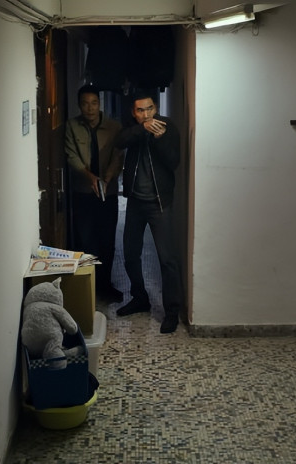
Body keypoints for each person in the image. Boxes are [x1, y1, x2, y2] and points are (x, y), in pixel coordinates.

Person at [115, 90, 183, 334]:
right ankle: (140, 297)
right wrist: (142, 130)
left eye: (150, 109)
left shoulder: (168, 127)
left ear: (156, 108)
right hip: (135, 202)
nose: (146, 115)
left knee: (167, 259)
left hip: (159, 203)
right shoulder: (133, 128)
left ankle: (172, 312)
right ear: (134, 113)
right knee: (130, 253)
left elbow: (173, 162)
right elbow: (119, 141)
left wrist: (159, 139)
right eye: (140, 110)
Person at [65, 85, 125, 302]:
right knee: (85, 240)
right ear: (79, 105)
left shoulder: (114, 127)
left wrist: (106, 179)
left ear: (99, 104)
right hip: (83, 193)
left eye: (93, 103)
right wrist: (90, 178)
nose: (89, 108)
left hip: (108, 193)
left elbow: (118, 156)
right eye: (85, 104)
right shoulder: (72, 126)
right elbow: (71, 155)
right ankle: (88, 288)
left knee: (107, 241)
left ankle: (105, 285)